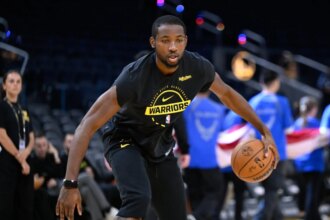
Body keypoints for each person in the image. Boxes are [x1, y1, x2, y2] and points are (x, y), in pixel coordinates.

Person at [56, 15, 277, 220]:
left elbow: (228, 95)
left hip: (160, 145)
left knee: (176, 214)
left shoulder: (197, 67)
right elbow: (86, 125)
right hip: (124, 140)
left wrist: (264, 130)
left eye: (178, 40)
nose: (173, 47)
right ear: (153, 42)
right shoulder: (134, 77)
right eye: (165, 40)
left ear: (186, 41)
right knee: (138, 199)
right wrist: (69, 183)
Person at [248, 70, 294, 220]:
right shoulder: (282, 102)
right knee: (273, 190)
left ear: (261, 83)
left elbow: (247, 128)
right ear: (275, 83)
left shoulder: (253, 101)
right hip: (277, 151)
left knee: (270, 189)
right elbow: (289, 128)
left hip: (257, 153)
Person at [183, 91, 225, 220]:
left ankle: (195, 215)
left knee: (195, 194)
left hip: (190, 158)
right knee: (215, 191)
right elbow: (224, 134)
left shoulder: (185, 108)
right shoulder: (219, 109)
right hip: (210, 159)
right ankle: (196, 216)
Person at [0, 70, 35, 220]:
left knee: (25, 207)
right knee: (6, 206)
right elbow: (1, 135)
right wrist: (20, 158)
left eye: (18, 81)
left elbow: (32, 137)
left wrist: (25, 154)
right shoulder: (1, 106)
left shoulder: (24, 109)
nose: (15, 84)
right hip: (7, 162)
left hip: (25, 162)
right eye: (11, 81)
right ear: (4, 85)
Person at [292, 96, 323, 220]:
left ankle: (305, 214)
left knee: (303, 191)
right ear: (314, 109)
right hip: (314, 163)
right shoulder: (315, 123)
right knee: (313, 195)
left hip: (300, 163)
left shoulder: (296, 123)